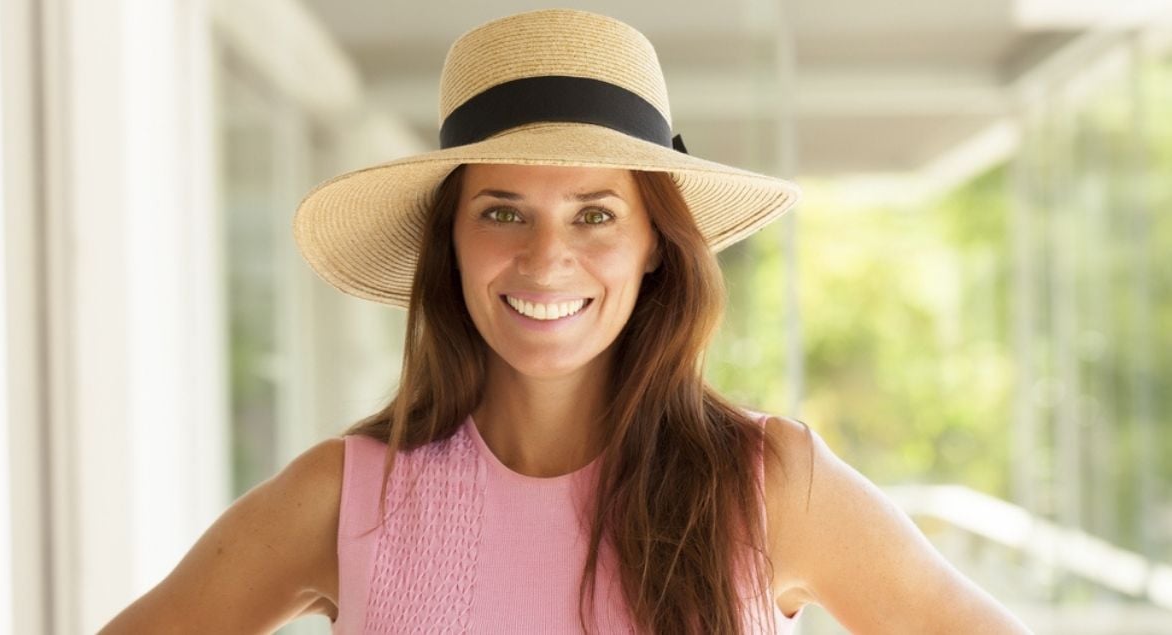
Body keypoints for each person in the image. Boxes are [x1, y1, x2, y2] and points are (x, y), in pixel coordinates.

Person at [101, 8, 1033, 634]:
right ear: (452, 243)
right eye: (502, 211)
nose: (547, 260)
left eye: (595, 214)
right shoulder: (346, 495)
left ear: (655, 245)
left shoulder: (768, 483)